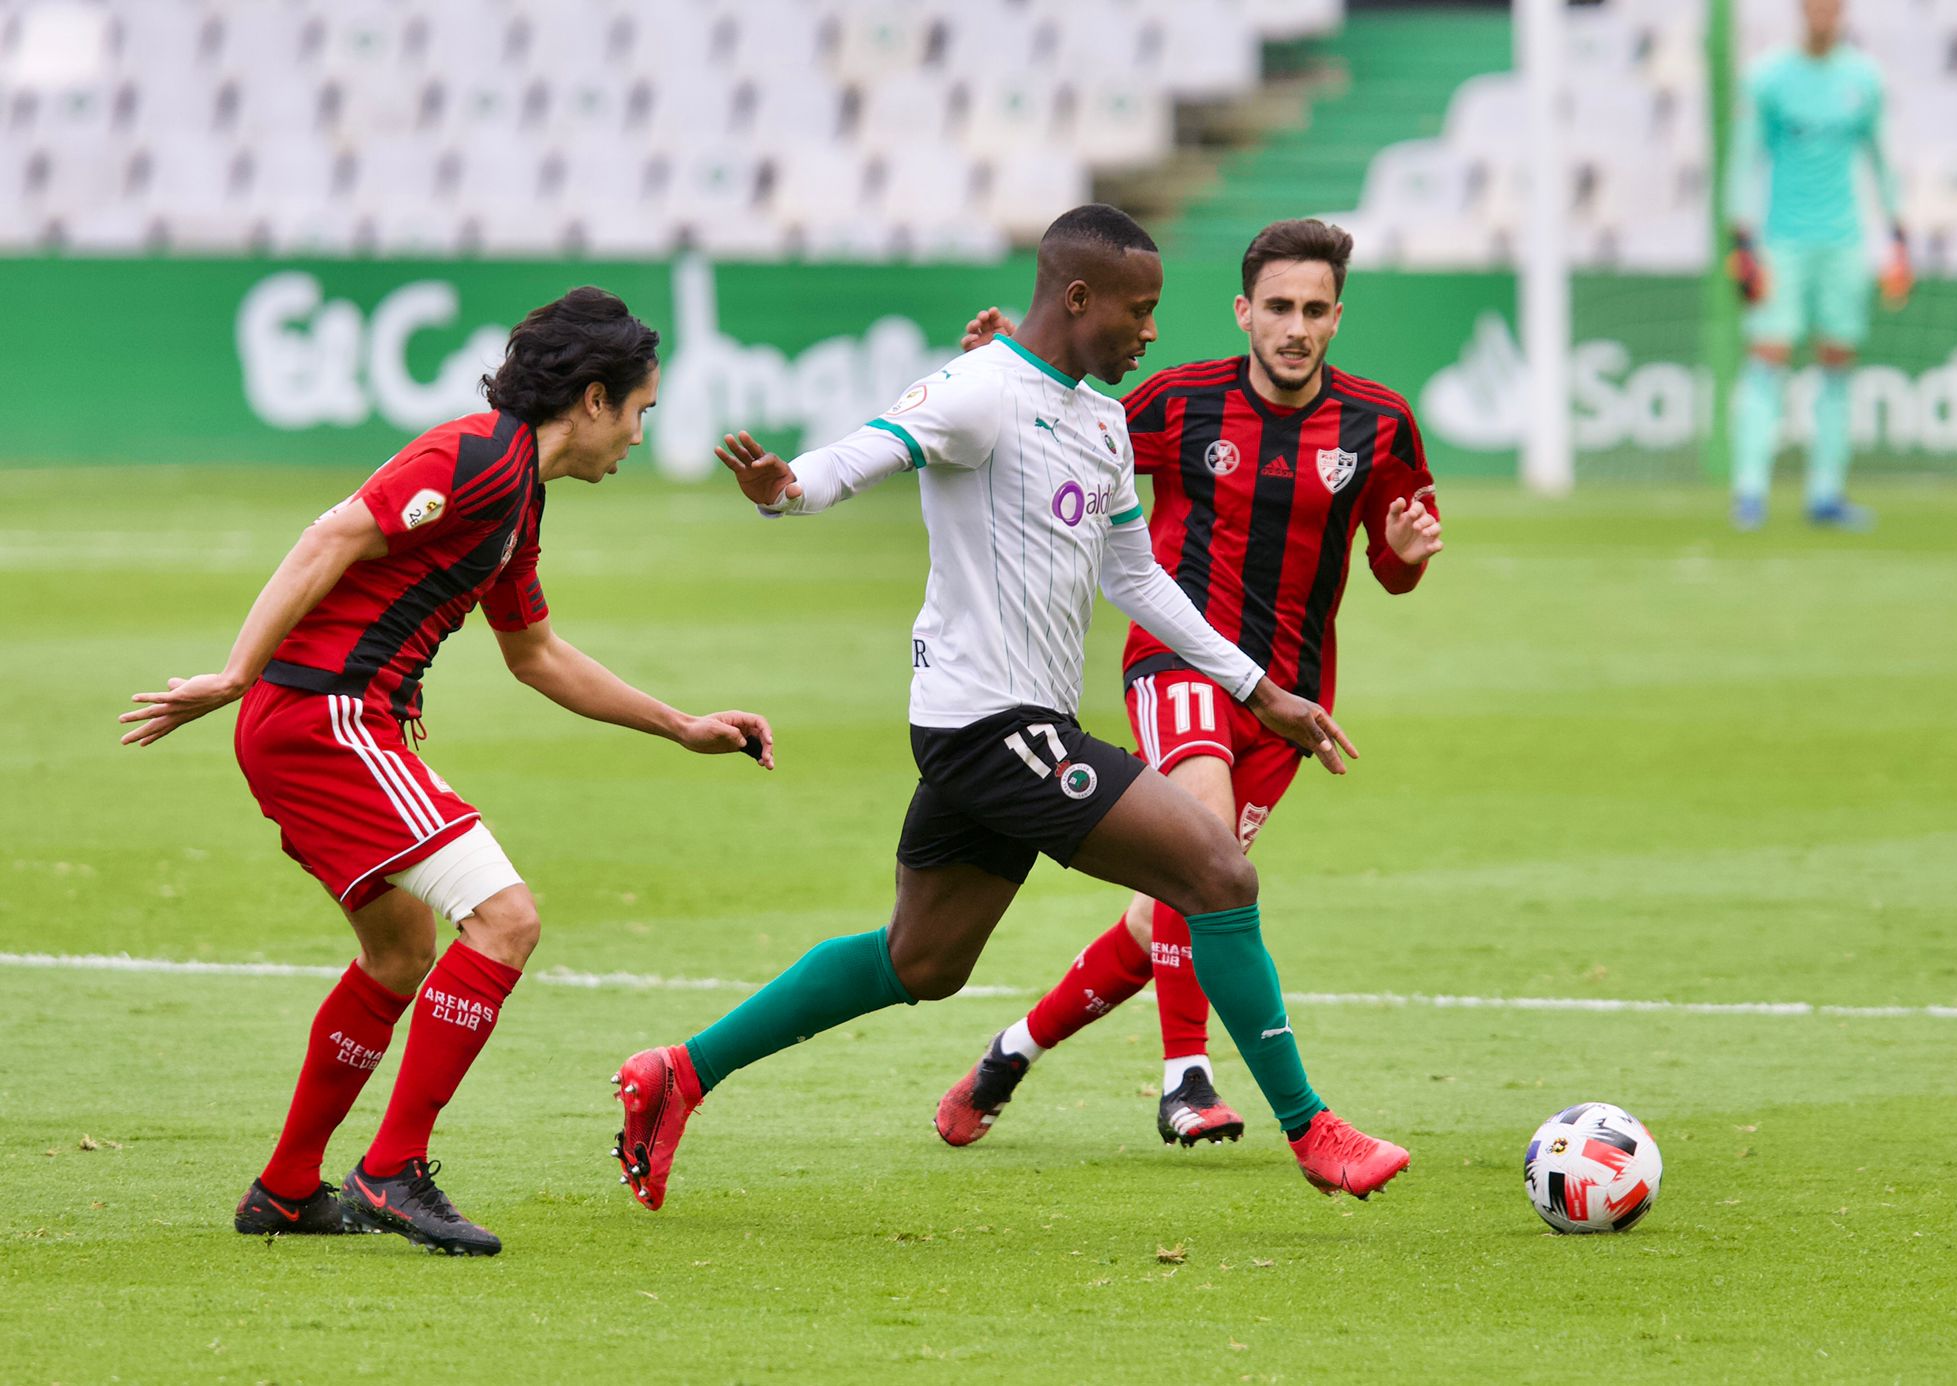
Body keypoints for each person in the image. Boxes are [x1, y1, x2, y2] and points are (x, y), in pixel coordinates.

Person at [611, 205, 1411, 1213]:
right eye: (1139, 310)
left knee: (923, 959)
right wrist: (785, 489)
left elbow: (1140, 581)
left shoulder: (1101, 420)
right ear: (1078, 300)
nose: (1152, 333)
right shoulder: (978, 392)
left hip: (1016, 727)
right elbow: (864, 451)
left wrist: (1260, 689)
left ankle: (677, 1073)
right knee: (1216, 871)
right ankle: (1312, 1131)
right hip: (987, 725)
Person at [120, 287, 773, 1256]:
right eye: (638, 411)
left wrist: (679, 726)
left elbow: (536, 655)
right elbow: (332, 534)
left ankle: (288, 1189)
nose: (639, 434)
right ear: (591, 399)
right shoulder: (472, 454)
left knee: (398, 953)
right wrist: (234, 672)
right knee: (505, 919)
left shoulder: (516, 494)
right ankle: (391, 1170)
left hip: (331, 721)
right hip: (323, 717)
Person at [932, 217, 1442, 1150]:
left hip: (1287, 701)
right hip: (1180, 665)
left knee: (1173, 901)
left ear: (1337, 318)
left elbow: (1394, 556)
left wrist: (1403, 557)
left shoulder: (1380, 424)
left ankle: (1013, 1050)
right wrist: (996, 377)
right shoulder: (1175, 403)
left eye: (1315, 310)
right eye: (1279, 306)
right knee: (1205, 851)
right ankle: (1185, 1078)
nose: (1295, 326)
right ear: (1244, 311)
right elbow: (1054, 434)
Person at [1725, 0, 1910, 532]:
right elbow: (1744, 157)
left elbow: (1881, 157)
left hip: (1844, 243)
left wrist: (1897, 233)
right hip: (1781, 242)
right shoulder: (1768, 77)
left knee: (1837, 360)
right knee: (1769, 354)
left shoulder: (1863, 78)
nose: (1824, 13)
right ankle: (1749, 490)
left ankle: (1825, 491)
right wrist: (1742, 237)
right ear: (1801, 10)